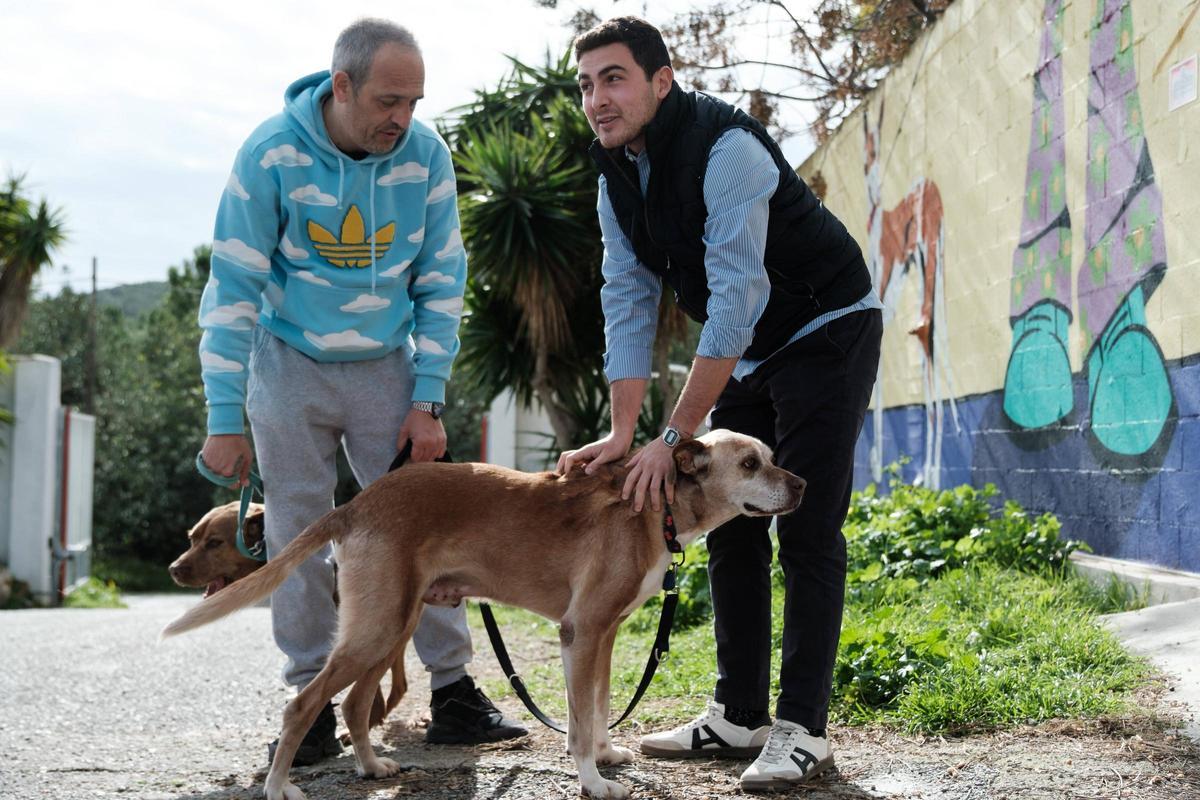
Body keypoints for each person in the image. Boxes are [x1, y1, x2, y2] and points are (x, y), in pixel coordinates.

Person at [557, 16, 883, 792]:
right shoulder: (614, 173)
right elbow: (628, 298)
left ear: (660, 80)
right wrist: (623, 429)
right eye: (586, 85)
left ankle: (803, 729)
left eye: (613, 78)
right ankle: (740, 714)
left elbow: (737, 298)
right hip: (751, 345)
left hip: (824, 326)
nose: (597, 99)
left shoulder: (727, 149)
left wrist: (672, 433)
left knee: (803, 521)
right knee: (728, 513)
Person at [197, 18, 526, 765]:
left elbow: (444, 280)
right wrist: (224, 412)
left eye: (413, 100)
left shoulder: (426, 155)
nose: (401, 118)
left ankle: (454, 694)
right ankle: (310, 706)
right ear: (340, 86)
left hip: (387, 364)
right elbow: (233, 287)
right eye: (387, 100)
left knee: (428, 522)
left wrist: (429, 396)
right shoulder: (271, 153)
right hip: (288, 363)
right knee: (297, 533)